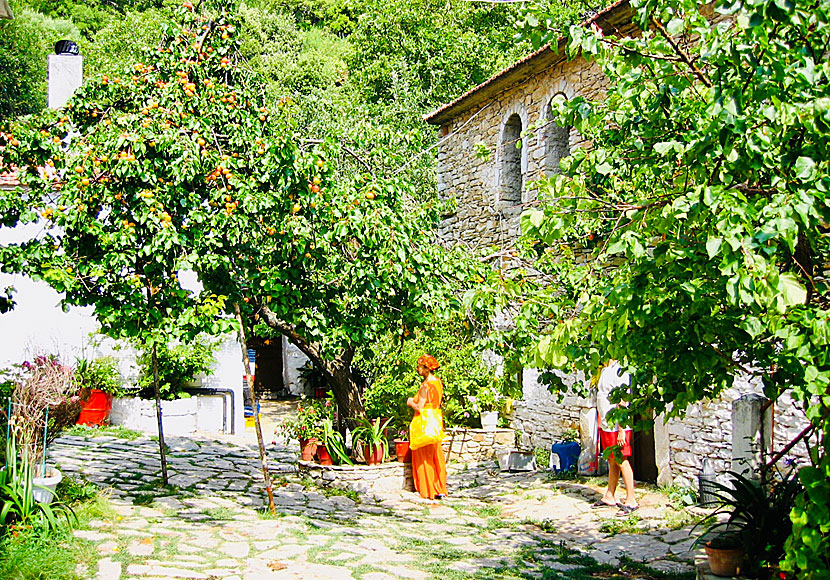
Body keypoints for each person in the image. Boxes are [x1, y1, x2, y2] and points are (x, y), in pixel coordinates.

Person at [593, 360, 638, 515]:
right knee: (612, 459)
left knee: (621, 460)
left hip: (617, 425)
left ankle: (631, 499)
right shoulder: (606, 370)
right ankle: (610, 495)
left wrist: (621, 430)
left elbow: (623, 399)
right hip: (607, 424)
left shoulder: (621, 371)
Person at [407, 354, 448, 500]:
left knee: (424, 455)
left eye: (419, 367)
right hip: (435, 421)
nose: (417, 369)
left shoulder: (425, 386)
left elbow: (420, 407)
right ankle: (440, 488)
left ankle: (428, 489)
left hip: (424, 423)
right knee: (436, 454)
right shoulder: (438, 383)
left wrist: (410, 401)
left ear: (426, 368)